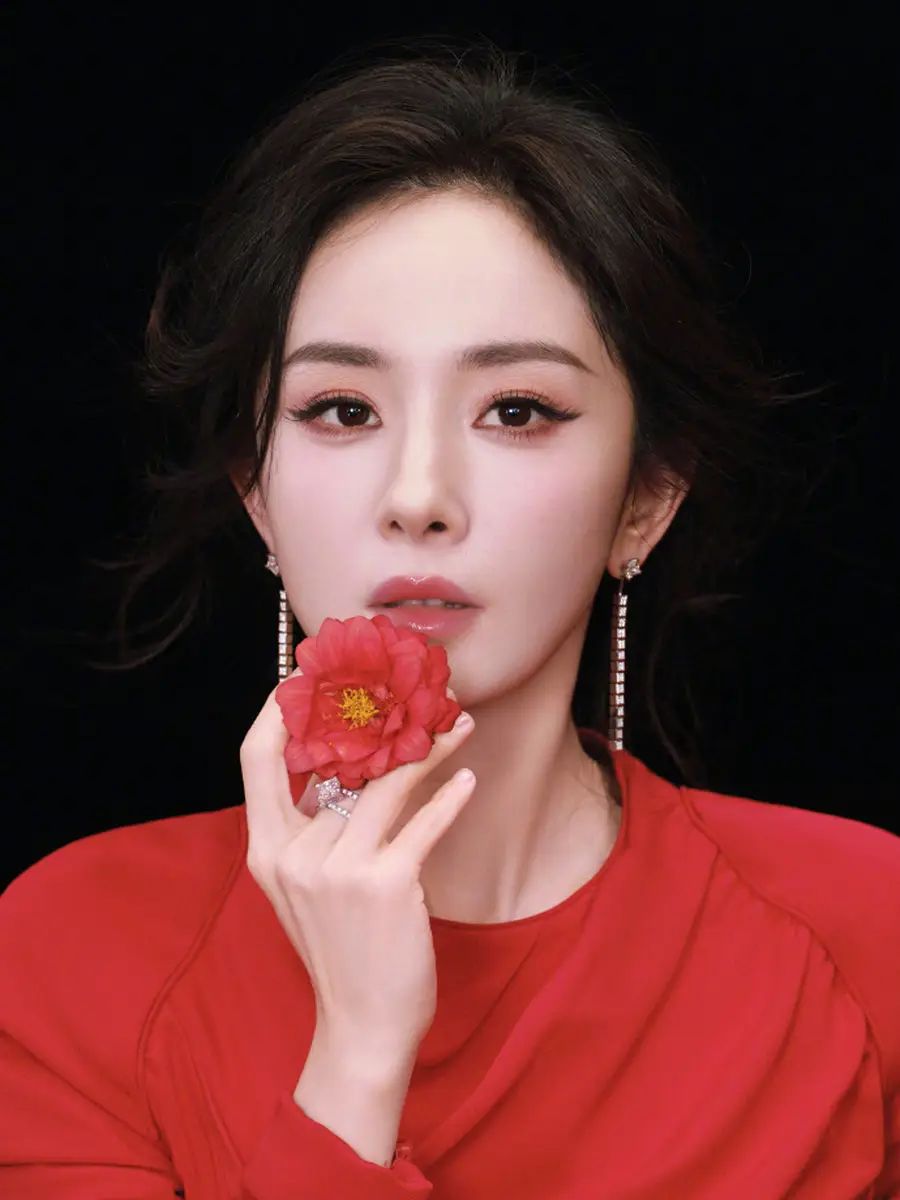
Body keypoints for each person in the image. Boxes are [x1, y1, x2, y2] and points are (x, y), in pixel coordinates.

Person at [1, 42, 898, 1200]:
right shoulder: (73, 949)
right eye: (342, 409)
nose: (418, 495)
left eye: (516, 409)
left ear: (646, 497)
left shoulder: (863, 931)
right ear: (256, 495)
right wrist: (358, 1056)